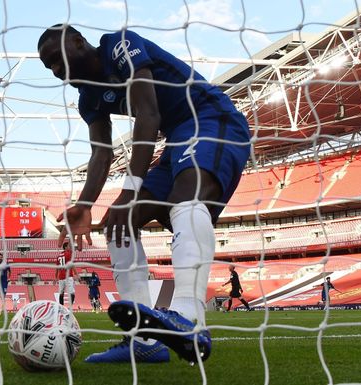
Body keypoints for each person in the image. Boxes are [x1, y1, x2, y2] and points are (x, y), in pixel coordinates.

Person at [38, 24, 250, 364]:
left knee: (186, 197)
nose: (57, 70)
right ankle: (142, 340)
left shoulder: (120, 45)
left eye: (57, 58)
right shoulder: (87, 98)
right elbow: (101, 154)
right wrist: (85, 204)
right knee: (118, 223)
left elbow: (148, 113)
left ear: (79, 42)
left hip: (210, 118)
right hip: (175, 139)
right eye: (49, 67)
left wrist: (131, 189)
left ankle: (189, 316)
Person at [56, 242, 79, 307]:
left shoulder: (59, 256)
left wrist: (56, 277)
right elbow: (72, 265)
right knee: (72, 292)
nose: (70, 247)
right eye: (69, 246)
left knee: (61, 293)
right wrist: (76, 274)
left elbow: (57, 268)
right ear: (66, 247)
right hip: (68, 276)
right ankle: (70, 307)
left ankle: (61, 307)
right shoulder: (69, 254)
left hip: (61, 277)